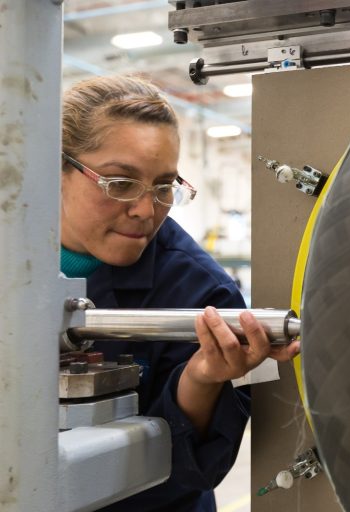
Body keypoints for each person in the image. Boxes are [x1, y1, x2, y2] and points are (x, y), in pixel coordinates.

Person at [60, 74, 301, 511]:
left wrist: (200, 379)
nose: (145, 210)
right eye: (120, 183)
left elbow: (201, 469)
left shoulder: (209, 296)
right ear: (54, 169)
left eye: (164, 187)